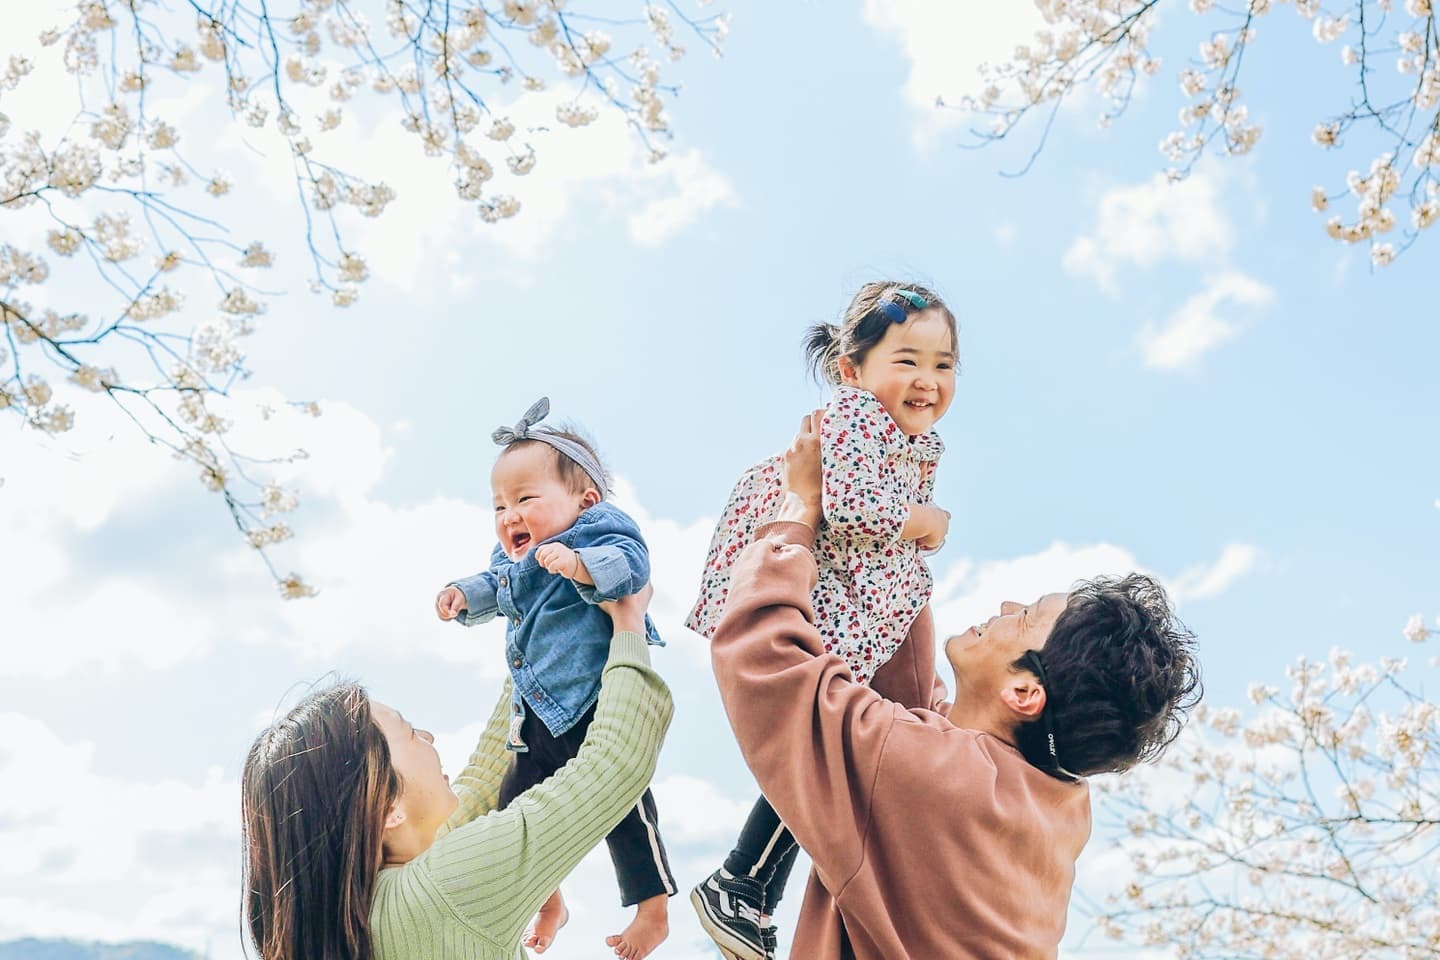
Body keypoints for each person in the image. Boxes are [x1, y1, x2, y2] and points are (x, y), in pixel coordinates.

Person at [707, 412, 1202, 959]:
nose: (1009, 605)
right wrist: (894, 555)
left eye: (1026, 618)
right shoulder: (1059, 804)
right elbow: (919, 718)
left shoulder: (931, 776)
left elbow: (767, 661)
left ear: (1025, 694)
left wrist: (797, 509)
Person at [687, 282, 957, 960]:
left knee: (836, 754)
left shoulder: (894, 433)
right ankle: (740, 881)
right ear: (853, 369)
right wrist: (925, 521)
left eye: (943, 364)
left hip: (850, 603)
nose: (927, 379)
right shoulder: (858, 417)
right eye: (908, 360)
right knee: (827, 751)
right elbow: (859, 509)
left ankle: (748, 886)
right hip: (830, 604)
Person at [240, 586, 672, 960]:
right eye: (411, 734)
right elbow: (613, 763)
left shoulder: (357, 917)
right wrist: (628, 622)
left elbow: (486, 775)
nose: (427, 737)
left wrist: (534, 637)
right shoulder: (447, 886)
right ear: (388, 807)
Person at [433, 396, 674, 958]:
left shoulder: (596, 529)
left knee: (626, 808)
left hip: (593, 701)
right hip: (537, 716)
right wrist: (461, 595)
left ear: (583, 500)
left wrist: (580, 565)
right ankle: (549, 901)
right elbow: (494, 584)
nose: (509, 515)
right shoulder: (512, 556)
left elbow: (631, 564)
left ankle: (654, 909)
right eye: (499, 505)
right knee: (516, 808)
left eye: (524, 498)